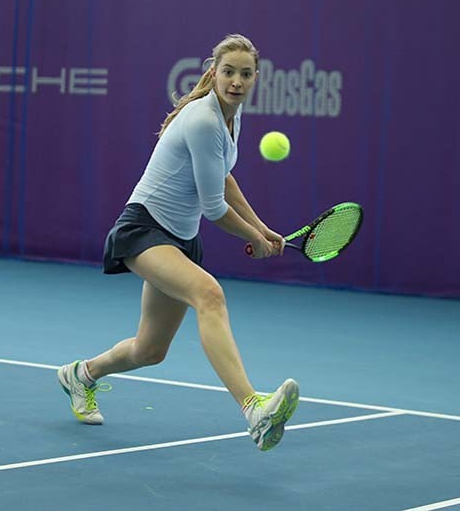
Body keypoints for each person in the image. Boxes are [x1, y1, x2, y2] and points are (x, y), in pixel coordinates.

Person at [57, 34, 299, 452]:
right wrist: (253, 238)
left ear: (255, 78)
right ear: (214, 72)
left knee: (150, 350)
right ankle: (254, 410)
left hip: (181, 238)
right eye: (228, 72)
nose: (236, 81)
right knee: (209, 294)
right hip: (145, 229)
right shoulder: (204, 120)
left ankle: (82, 375)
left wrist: (262, 228)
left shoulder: (231, 116)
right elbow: (214, 208)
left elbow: (223, 178)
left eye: (245, 74)